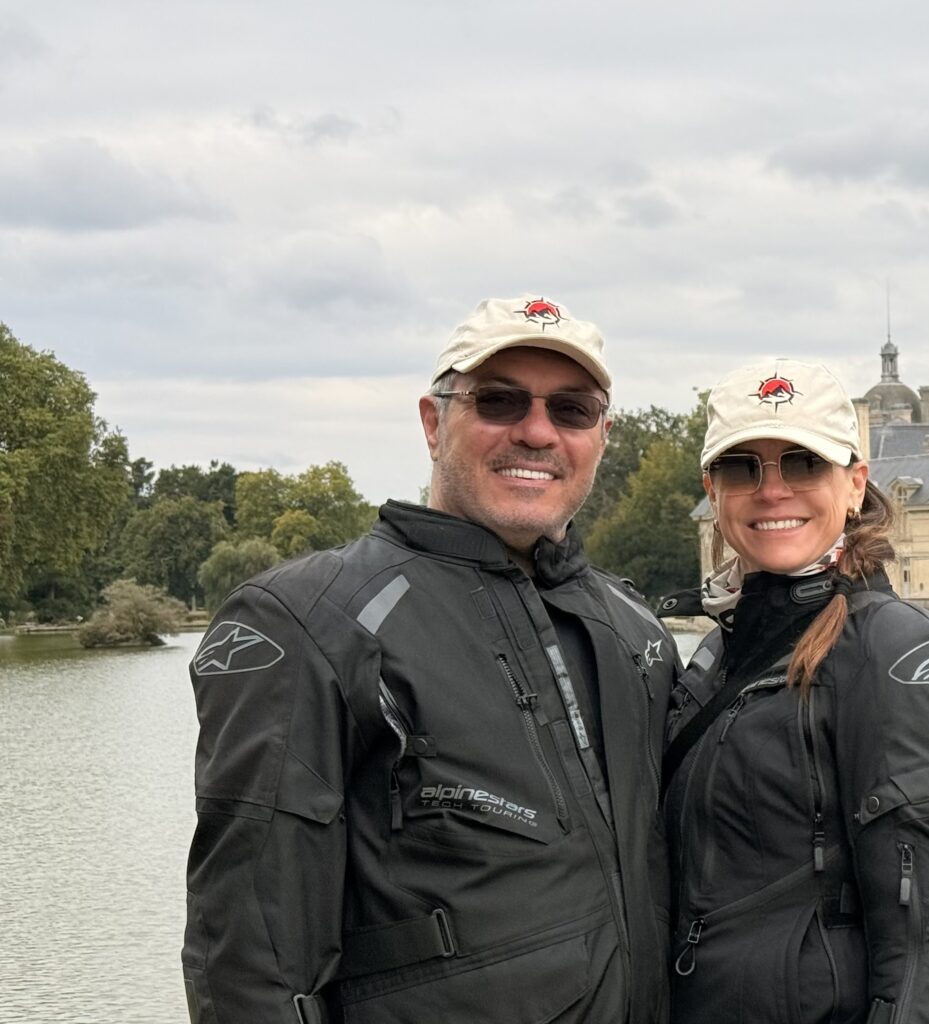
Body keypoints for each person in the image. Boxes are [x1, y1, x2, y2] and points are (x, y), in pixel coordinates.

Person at [183, 295, 678, 1023]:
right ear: (432, 422)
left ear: (601, 436)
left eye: (571, 410)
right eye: (499, 401)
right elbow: (249, 961)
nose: (537, 431)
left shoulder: (636, 631)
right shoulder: (309, 622)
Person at [655, 358, 929, 1023]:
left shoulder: (898, 653)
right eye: (742, 468)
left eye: (804, 463)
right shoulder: (721, 648)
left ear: (855, 483)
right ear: (713, 492)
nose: (772, 490)